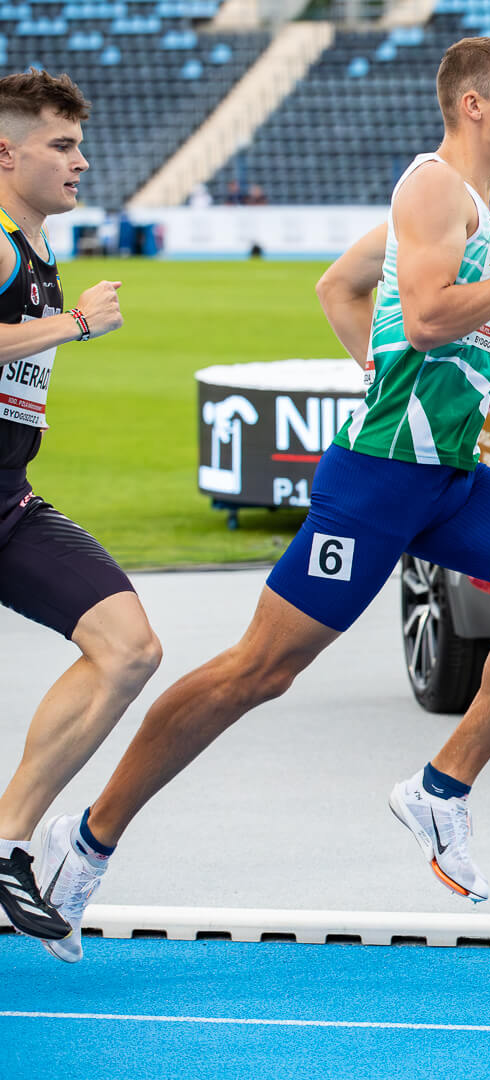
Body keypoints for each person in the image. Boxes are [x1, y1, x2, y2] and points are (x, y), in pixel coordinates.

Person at [31, 35, 490, 962]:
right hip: (380, 479)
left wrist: (380, 373)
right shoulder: (433, 188)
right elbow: (426, 319)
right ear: (473, 104)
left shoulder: (465, 206)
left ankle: (440, 791)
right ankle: (88, 840)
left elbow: (338, 286)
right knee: (258, 671)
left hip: (447, 475)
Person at [0, 71, 149, 946]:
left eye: (79, 145)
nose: (80, 162)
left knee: (128, 647)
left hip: (8, 503)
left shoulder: (37, 247)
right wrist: (77, 326)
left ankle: (6, 842)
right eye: (61, 145)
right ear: (5, 153)